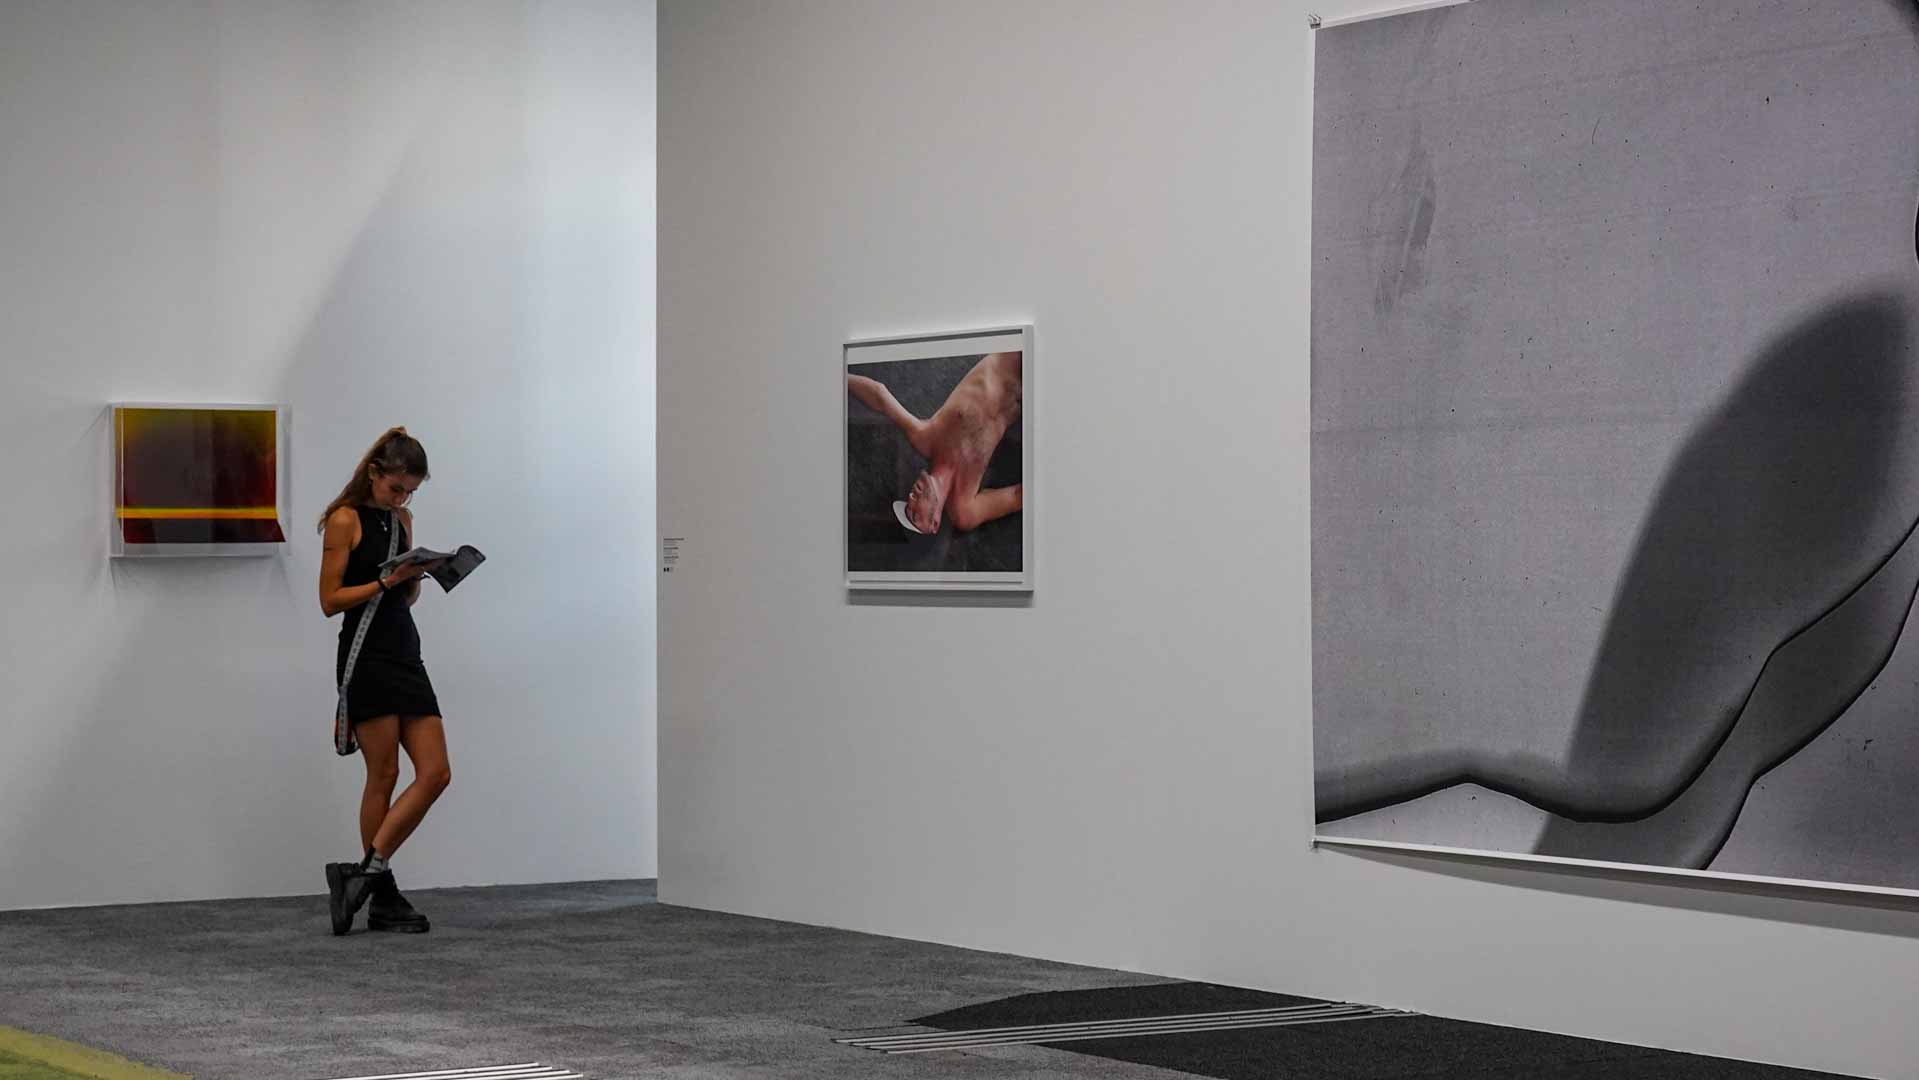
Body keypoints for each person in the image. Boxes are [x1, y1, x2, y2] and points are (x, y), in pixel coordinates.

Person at [316, 427, 451, 935]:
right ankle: (383, 895)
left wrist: (416, 579)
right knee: (385, 774)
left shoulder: (402, 520)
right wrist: (383, 581)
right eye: (396, 488)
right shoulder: (344, 519)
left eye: (410, 492)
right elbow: (329, 601)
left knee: (436, 772)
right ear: (374, 473)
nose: (401, 499)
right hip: (366, 653)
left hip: (405, 651)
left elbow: (404, 599)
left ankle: (363, 876)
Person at [846, 351, 1024, 535]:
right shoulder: (965, 510)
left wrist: (839, 378)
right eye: (914, 515)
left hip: (1017, 357)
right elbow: (1017, 496)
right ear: (935, 524)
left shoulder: (925, 438)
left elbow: (879, 396)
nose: (911, 498)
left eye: (907, 503)